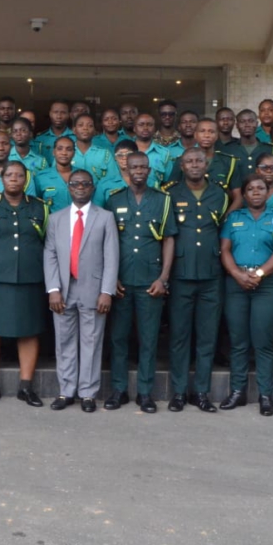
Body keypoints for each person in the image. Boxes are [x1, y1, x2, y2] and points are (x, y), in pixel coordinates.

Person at [0, 161, 49, 407]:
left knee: (29, 331)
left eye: (19, 175)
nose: (14, 179)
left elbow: (49, 245)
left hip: (29, 278)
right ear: (2, 179)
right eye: (9, 175)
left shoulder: (40, 208)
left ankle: (26, 387)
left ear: (26, 179)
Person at [43, 169, 119, 412]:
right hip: (63, 290)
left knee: (92, 341)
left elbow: (111, 256)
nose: (80, 187)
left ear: (92, 188)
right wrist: (53, 288)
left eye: (85, 184)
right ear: (69, 187)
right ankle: (66, 391)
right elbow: (50, 254)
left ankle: (87, 393)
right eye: (75, 183)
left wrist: (107, 291)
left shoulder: (105, 217)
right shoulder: (56, 218)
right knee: (63, 341)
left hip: (94, 290)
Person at [105, 152, 175, 414]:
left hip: (150, 282)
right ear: (126, 168)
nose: (138, 171)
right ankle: (119, 390)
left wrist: (163, 278)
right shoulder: (113, 200)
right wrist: (111, 278)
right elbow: (107, 242)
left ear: (149, 170)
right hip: (121, 281)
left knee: (148, 339)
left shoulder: (162, 200)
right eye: (133, 166)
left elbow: (168, 239)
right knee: (118, 338)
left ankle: (145, 393)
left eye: (143, 167)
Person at [219, 174, 273, 415]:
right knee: (238, 341)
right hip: (236, 284)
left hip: (268, 285)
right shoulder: (234, 218)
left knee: (263, 342)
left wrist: (260, 273)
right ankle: (237, 392)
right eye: (250, 189)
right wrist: (237, 274)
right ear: (245, 193)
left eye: (261, 188)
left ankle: (265, 394)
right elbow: (225, 250)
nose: (256, 192)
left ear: (268, 191)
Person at [161, 148, 229, 412]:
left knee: (207, 336)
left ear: (206, 163)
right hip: (181, 274)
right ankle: (178, 392)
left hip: (211, 274)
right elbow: (167, 235)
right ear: (182, 164)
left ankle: (201, 391)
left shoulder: (219, 194)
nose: (194, 165)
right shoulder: (170, 193)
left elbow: (220, 230)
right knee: (179, 335)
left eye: (199, 160)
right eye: (189, 161)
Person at [223, 109, 273, 177]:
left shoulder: (270, 150)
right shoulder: (227, 150)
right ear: (237, 125)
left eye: (251, 121)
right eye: (242, 122)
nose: (247, 125)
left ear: (257, 124)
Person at [34, 136, 78, 213]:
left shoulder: (82, 175)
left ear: (74, 153)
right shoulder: (41, 177)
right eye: (60, 149)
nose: (64, 153)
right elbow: (36, 203)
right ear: (53, 152)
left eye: (69, 149)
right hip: (52, 223)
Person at [93, 140, 139, 208]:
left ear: (136, 155)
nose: (124, 158)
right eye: (120, 155)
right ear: (115, 158)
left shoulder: (146, 181)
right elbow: (96, 210)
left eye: (128, 154)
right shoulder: (104, 184)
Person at [71, 114, 113, 182]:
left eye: (90, 126)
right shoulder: (65, 152)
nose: (85, 128)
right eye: (81, 125)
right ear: (74, 130)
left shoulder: (105, 154)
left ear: (94, 131)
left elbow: (113, 180)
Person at [133, 113, 173, 181]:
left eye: (150, 125)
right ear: (134, 128)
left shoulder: (164, 153)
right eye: (141, 124)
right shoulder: (125, 151)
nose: (145, 128)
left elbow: (169, 181)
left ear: (154, 129)